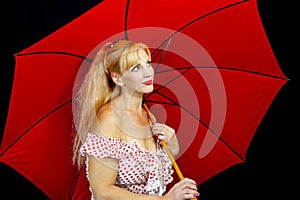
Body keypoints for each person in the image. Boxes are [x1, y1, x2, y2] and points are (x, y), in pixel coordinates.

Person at [72, 39, 199, 200]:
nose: (148, 73)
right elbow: (102, 192)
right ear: (117, 78)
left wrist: (172, 146)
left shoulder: (147, 115)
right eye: (136, 68)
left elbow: (151, 174)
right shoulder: (109, 119)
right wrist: (165, 199)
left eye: (148, 63)